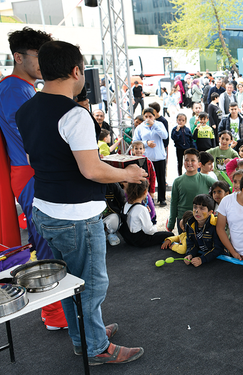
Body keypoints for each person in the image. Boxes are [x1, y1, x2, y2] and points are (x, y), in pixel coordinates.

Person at [18, 40, 145, 364]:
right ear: (77, 71)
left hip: (44, 209)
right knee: (90, 284)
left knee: (69, 283)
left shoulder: (26, 109)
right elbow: (90, 169)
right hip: (76, 217)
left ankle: (85, 337)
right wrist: (127, 174)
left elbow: (36, 158)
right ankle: (97, 348)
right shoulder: (74, 115)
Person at [0, 26, 68, 329]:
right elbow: (31, 141)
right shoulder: (14, 89)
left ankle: (58, 313)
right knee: (47, 244)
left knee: (51, 242)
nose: (43, 62)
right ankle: (55, 315)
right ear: (18, 57)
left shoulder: (22, 88)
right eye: (38, 56)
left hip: (32, 174)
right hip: (30, 175)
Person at [168, 148, 216, 231]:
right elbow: (173, 203)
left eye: (193, 160)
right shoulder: (177, 181)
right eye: (186, 160)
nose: (189, 163)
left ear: (199, 164)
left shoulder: (206, 179)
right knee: (184, 242)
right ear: (183, 163)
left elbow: (220, 188)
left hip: (202, 219)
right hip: (183, 219)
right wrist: (171, 223)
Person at [133, 107, 168, 206]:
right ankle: (147, 198)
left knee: (161, 178)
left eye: (150, 116)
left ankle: (162, 199)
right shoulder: (140, 127)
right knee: (147, 178)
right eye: (146, 116)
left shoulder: (159, 124)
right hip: (146, 157)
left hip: (159, 156)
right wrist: (146, 143)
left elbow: (165, 136)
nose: (148, 118)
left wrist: (155, 126)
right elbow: (135, 141)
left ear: (154, 116)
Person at [121, 180, 173, 247]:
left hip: (128, 238)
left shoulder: (126, 204)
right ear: (145, 191)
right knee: (169, 235)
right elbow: (149, 230)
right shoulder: (142, 209)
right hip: (140, 241)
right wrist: (155, 229)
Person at [183, 194, 227, 267]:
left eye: (202, 208)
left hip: (220, 260)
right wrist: (190, 254)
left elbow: (218, 248)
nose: (197, 211)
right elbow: (191, 243)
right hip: (202, 257)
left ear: (210, 212)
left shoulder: (216, 225)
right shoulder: (189, 225)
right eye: (195, 207)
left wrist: (202, 259)